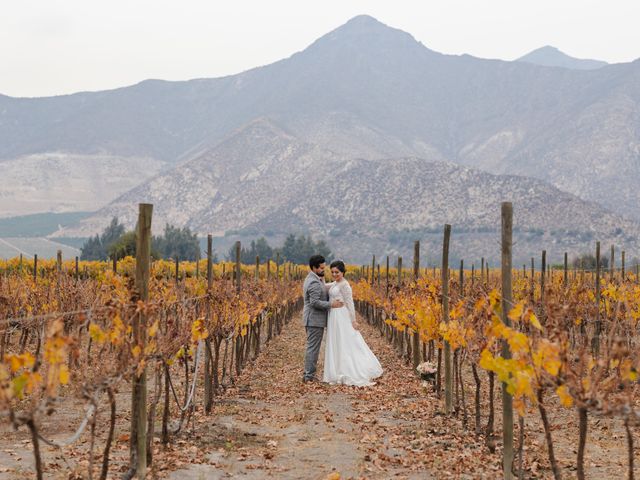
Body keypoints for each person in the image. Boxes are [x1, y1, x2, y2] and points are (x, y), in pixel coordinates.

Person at [322, 260, 383, 386]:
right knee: (337, 341)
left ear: (343, 272)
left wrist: (353, 321)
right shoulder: (335, 283)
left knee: (345, 341)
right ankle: (336, 368)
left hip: (341, 315)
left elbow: (350, 303)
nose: (334, 274)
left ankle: (348, 369)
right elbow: (325, 286)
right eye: (332, 272)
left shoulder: (345, 285)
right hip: (333, 315)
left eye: (337, 272)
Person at [302, 255, 343, 383]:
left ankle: (309, 374)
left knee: (313, 347)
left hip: (314, 320)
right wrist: (332, 304)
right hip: (314, 320)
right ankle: (309, 376)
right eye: (321, 268)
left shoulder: (315, 279)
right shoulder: (314, 282)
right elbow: (314, 302)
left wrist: (337, 284)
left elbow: (322, 289)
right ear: (314, 268)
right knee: (313, 348)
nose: (323, 270)